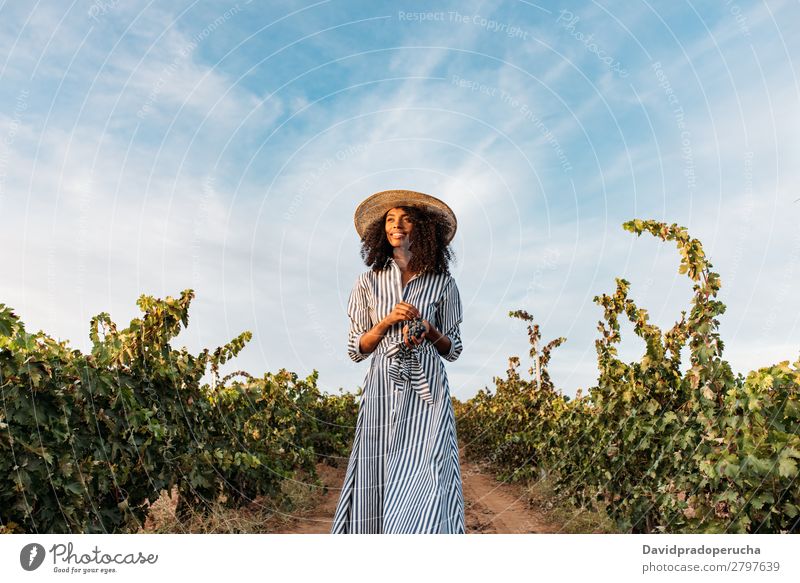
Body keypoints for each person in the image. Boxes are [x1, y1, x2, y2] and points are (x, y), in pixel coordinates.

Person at [330, 189, 465, 534]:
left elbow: (454, 349)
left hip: (427, 391)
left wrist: (430, 330)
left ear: (423, 228)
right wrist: (387, 322)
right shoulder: (367, 283)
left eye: (406, 218)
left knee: (430, 469)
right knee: (378, 469)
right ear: (381, 231)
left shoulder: (443, 283)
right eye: (390, 219)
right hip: (383, 387)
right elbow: (356, 348)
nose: (397, 225)